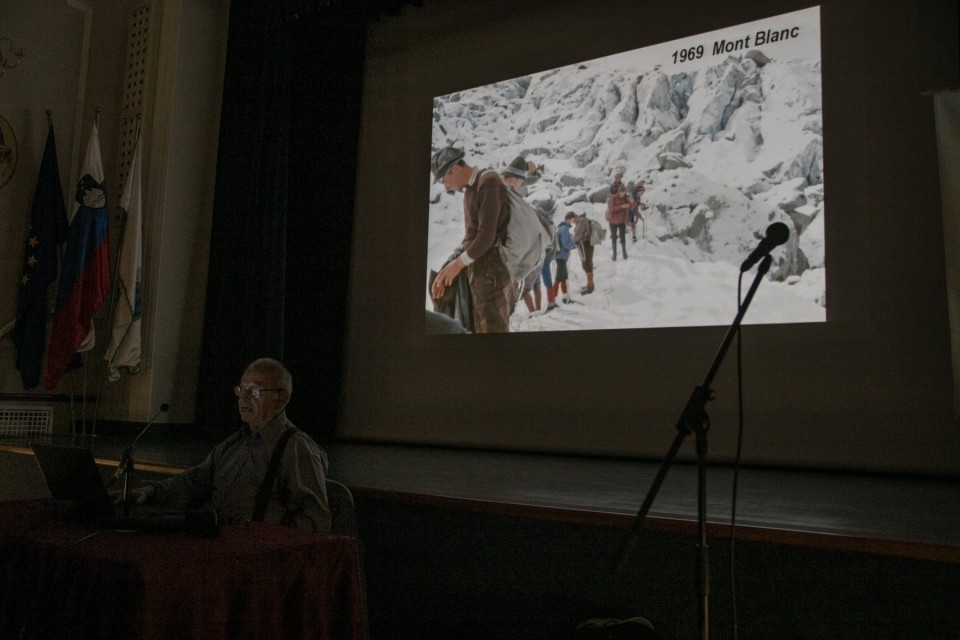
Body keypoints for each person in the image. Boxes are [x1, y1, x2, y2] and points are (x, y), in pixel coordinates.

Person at [118, 358, 332, 533]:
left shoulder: (295, 448)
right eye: (241, 390)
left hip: (261, 559)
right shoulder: (233, 445)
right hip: (221, 549)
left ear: (281, 399)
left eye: (255, 392)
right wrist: (150, 491)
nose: (243, 399)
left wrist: (271, 541)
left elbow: (315, 520)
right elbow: (194, 483)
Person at [430, 146, 516, 333]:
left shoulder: (489, 181)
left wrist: (457, 265)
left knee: (493, 329)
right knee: (479, 327)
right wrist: (450, 264)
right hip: (480, 273)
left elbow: (486, 236)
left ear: (453, 169)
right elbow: (471, 236)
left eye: (444, 180)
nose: (446, 186)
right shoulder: (470, 190)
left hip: (493, 273)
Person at [553, 212, 579, 303]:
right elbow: (565, 243)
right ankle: (552, 300)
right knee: (559, 277)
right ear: (569, 218)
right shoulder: (564, 229)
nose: (573, 221)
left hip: (561, 255)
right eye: (573, 219)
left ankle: (565, 298)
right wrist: (575, 244)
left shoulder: (562, 227)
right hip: (561, 255)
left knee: (564, 277)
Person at [606, 183, 631, 261]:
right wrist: (622, 206)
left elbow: (630, 206)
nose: (623, 194)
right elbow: (611, 209)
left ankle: (624, 253)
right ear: (619, 191)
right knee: (614, 237)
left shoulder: (625, 198)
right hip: (613, 221)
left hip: (622, 221)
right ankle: (614, 255)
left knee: (622, 236)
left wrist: (630, 203)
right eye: (621, 192)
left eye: (624, 192)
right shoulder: (612, 198)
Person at [573, 213, 596, 294]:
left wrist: (572, 239)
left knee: (586, 265)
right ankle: (590, 284)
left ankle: (590, 287)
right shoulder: (584, 219)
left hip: (585, 244)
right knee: (588, 264)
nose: (572, 222)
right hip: (588, 243)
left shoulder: (581, 221)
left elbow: (578, 235)